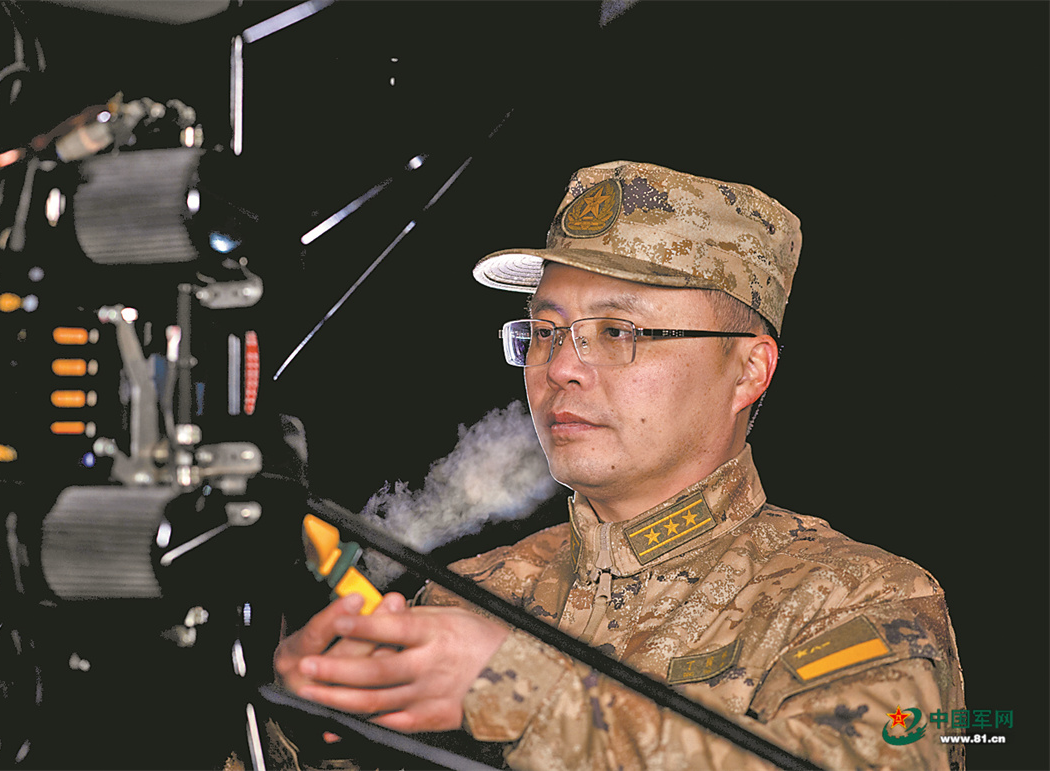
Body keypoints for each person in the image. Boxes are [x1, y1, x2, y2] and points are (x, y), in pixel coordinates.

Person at [271, 161, 965, 770]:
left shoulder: (858, 600)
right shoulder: (466, 597)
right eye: (545, 331)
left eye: (619, 331)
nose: (561, 368)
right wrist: (293, 720)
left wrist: (518, 691)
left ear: (749, 369)